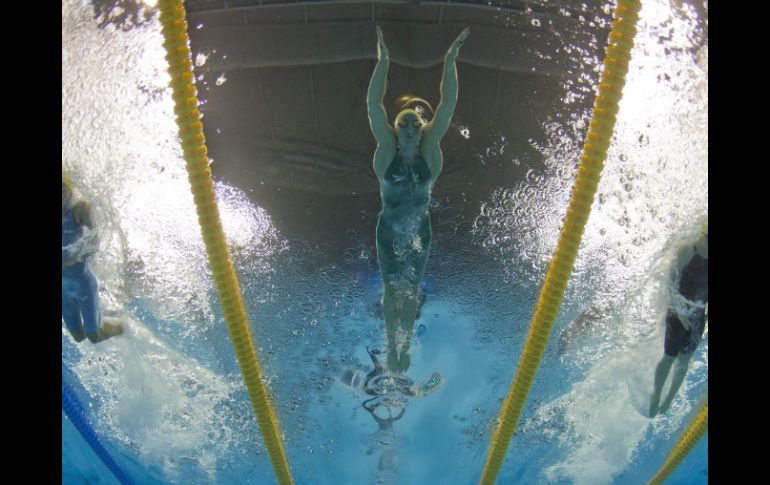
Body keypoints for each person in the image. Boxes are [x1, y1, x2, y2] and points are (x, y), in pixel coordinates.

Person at [367, 25, 469, 373]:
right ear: (395, 129)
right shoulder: (385, 155)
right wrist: (384, 60)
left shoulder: (430, 155)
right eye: (404, 123)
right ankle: (388, 342)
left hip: (418, 232)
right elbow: (374, 105)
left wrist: (450, 60)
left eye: (415, 123)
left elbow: (447, 104)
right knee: (390, 289)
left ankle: (403, 347)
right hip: (388, 230)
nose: (410, 128)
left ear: (422, 129)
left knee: (408, 291)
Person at [649, 226, 708, 417]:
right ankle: (656, 395)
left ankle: (669, 398)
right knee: (669, 357)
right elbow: (670, 283)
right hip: (678, 310)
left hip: (698, 317)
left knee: (684, 361)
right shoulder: (688, 251)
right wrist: (680, 313)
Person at [62, 176, 124, 343]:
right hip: (63, 293)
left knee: (94, 337)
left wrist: (76, 255)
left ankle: (123, 326)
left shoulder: (79, 209)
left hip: (82, 284)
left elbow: (96, 236)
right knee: (78, 336)